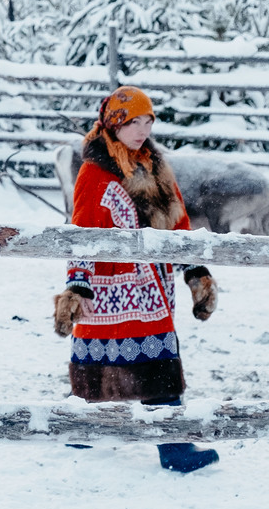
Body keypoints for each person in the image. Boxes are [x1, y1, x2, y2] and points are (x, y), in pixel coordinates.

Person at [53, 86, 220, 474]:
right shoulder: (95, 172)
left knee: (153, 362)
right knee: (118, 368)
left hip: (152, 289)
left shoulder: (155, 165)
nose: (142, 130)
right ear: (114, 122)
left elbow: (177, 222)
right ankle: (96, 432)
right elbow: (81, 232)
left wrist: (194, 270)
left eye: (148, 121)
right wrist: (78, 286)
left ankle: (160, 444)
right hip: (110, 289)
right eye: (133, 122)